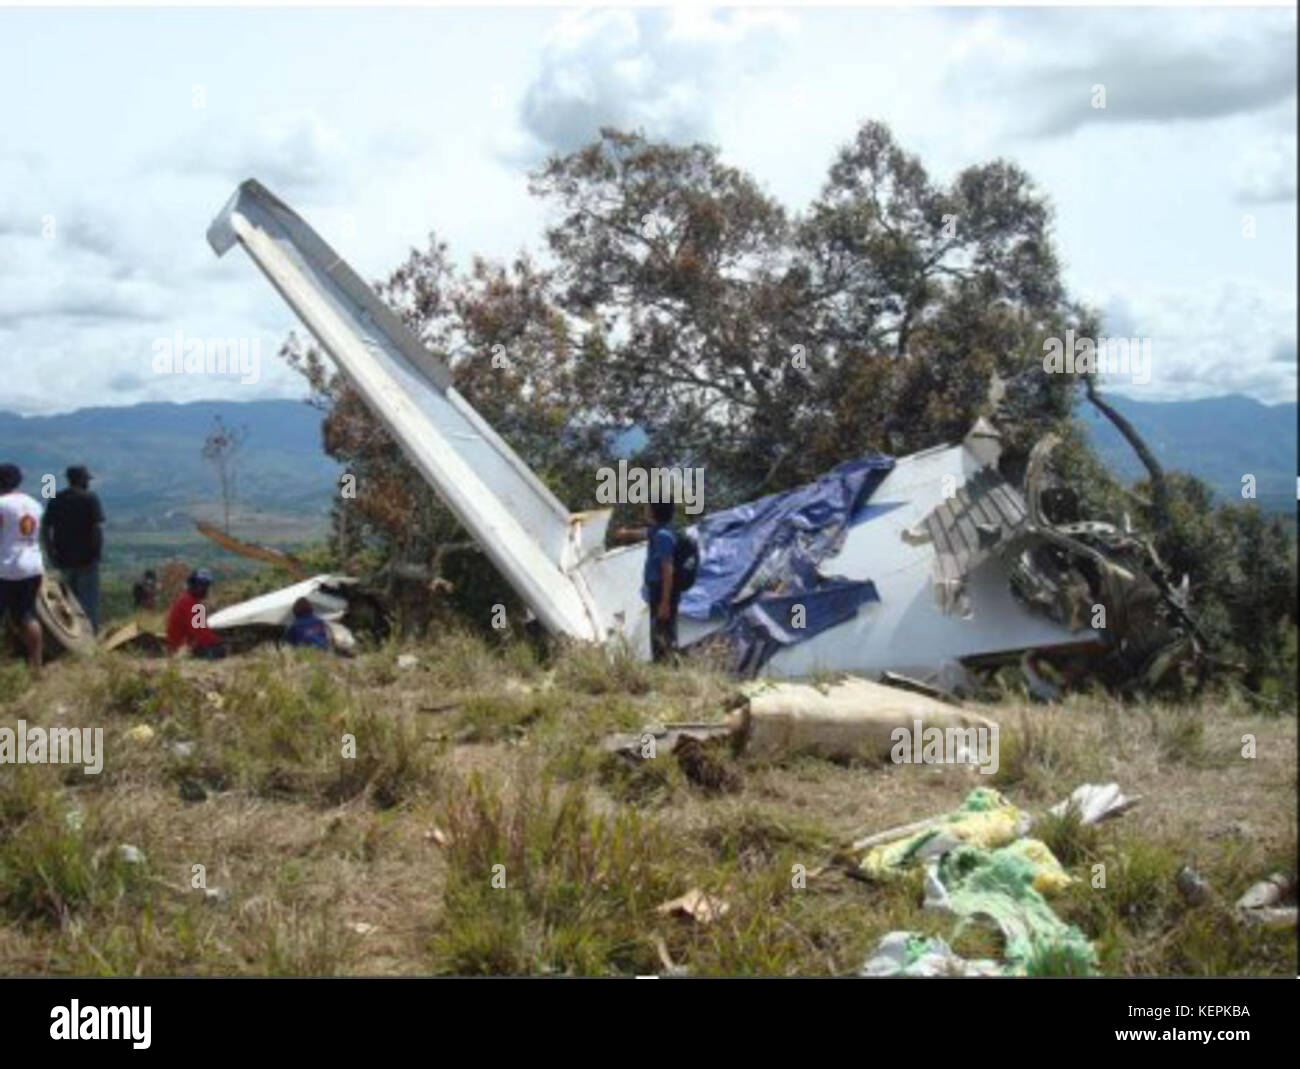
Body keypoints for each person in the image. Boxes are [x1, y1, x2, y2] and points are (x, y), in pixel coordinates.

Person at [43, 464, 105, 632]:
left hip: (63, 559)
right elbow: (97, 529)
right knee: (89, 602)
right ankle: (90, 637)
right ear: (82, 479)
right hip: (87, 560)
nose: (88, 483)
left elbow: (45, 529)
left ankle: (71, 635)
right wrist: (97, 554)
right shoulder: (90, 498)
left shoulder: (55, 499)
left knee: (68, 602)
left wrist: (50, 554)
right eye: (87, 479)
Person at [0, 463, 45, 674]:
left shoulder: (1, 504)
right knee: (26, 616)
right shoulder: (34, 504)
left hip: (6, 568)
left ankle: (6, 660)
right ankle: (36, 665)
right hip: (33, 566)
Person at [165, 568, 225, 659]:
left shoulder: (186, 600)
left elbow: (200, 629)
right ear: (192, 585)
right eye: (200, 585)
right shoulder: (191, 604)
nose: (204, 589)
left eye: (205, 585)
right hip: (181, 649)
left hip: (179, 646)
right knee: (219, 651)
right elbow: (200, 633)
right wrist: (218, 641)